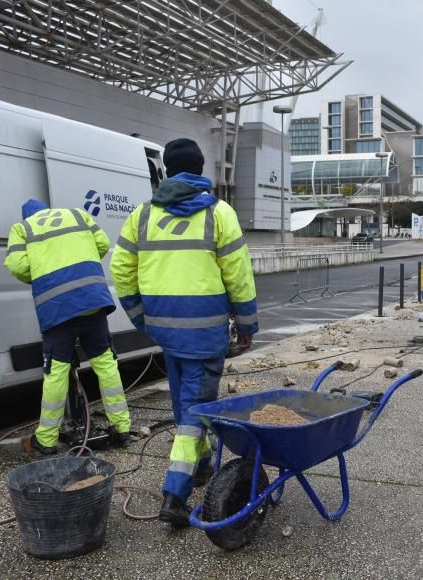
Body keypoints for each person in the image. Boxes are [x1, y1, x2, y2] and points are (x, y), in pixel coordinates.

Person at [111, 138, 258, 528]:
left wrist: (141, 318)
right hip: (205, 332)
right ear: (199, 167)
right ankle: (174, 494)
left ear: (167, 170)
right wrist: (246, 325)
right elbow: (238, 276)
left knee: (186, 405)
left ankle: (202, 466)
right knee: (195, 411)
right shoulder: (219, 212)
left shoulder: (142, 215)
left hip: (166, 332)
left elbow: (121, 271)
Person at [4, 200, 132, 454]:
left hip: (57, 309)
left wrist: (43, 271)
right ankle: (122, 427)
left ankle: (48, 439)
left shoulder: (23, 228)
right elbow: (103, 244)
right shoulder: (77, 215)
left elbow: (18, 266)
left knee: (56, 373)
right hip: (92, 302)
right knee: (106, 365)